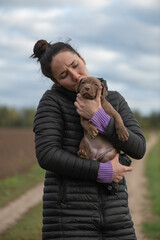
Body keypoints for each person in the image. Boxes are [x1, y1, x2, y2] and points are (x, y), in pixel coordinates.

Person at [31, 39, 146, 240]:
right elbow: (47, 155)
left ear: (82, 58)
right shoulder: (51, 102)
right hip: (68, 219)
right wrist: (102, 171)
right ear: (56, 82)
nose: (76, 76)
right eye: (64, 75)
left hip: (116, 216)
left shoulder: (115, 99)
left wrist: (99, 118)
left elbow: (138, 148)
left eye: (75, 65)